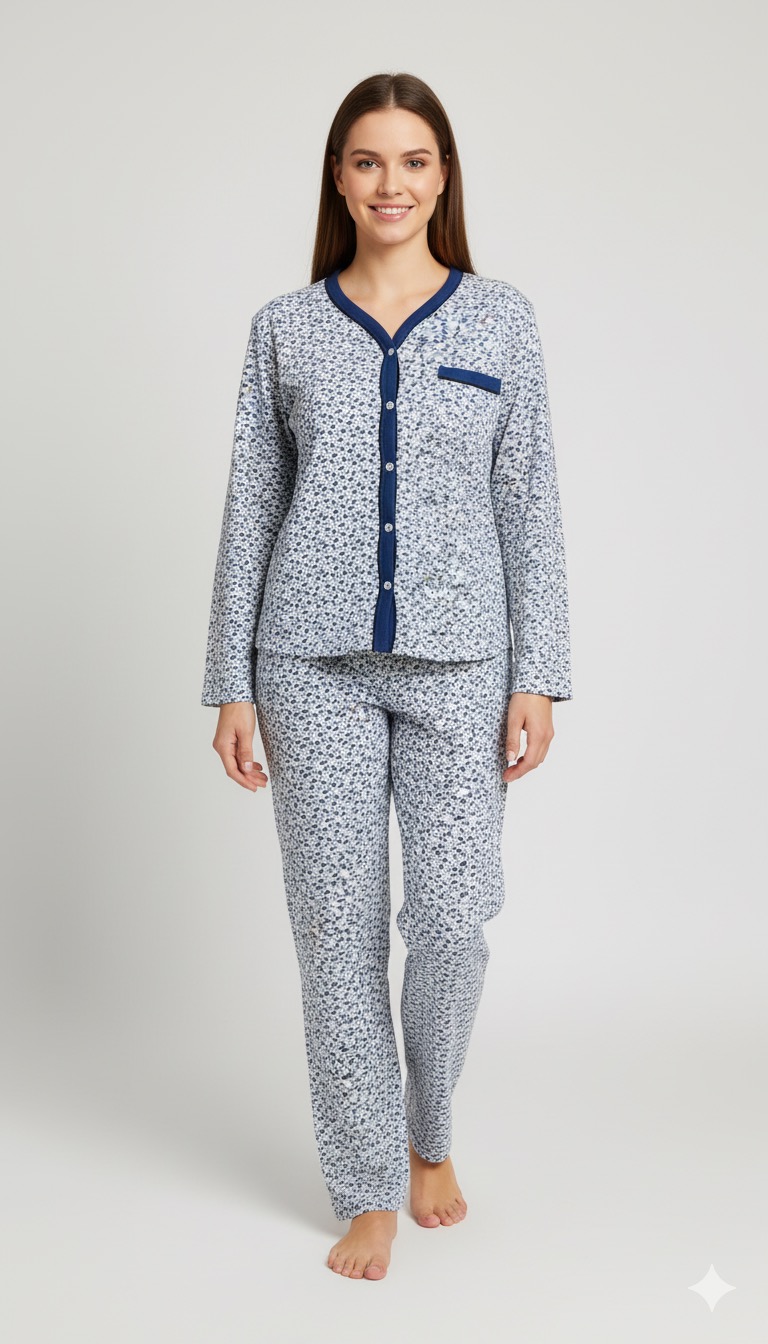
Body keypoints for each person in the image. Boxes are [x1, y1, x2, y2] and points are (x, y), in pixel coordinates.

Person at [201, 71, 573, 1282]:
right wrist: (231, 682)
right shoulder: (286, 328)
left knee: (454, 919)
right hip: (308, 665)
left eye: (414, 160)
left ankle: (430, 1132)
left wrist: (540, 673)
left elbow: (529, 504)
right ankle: (367, 1184)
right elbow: (252, 508)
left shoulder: (501, 320)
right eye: (368, 161)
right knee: (337, 933)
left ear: (443, 176)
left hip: (465, 665)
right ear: (339, 178)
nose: (391, 183)